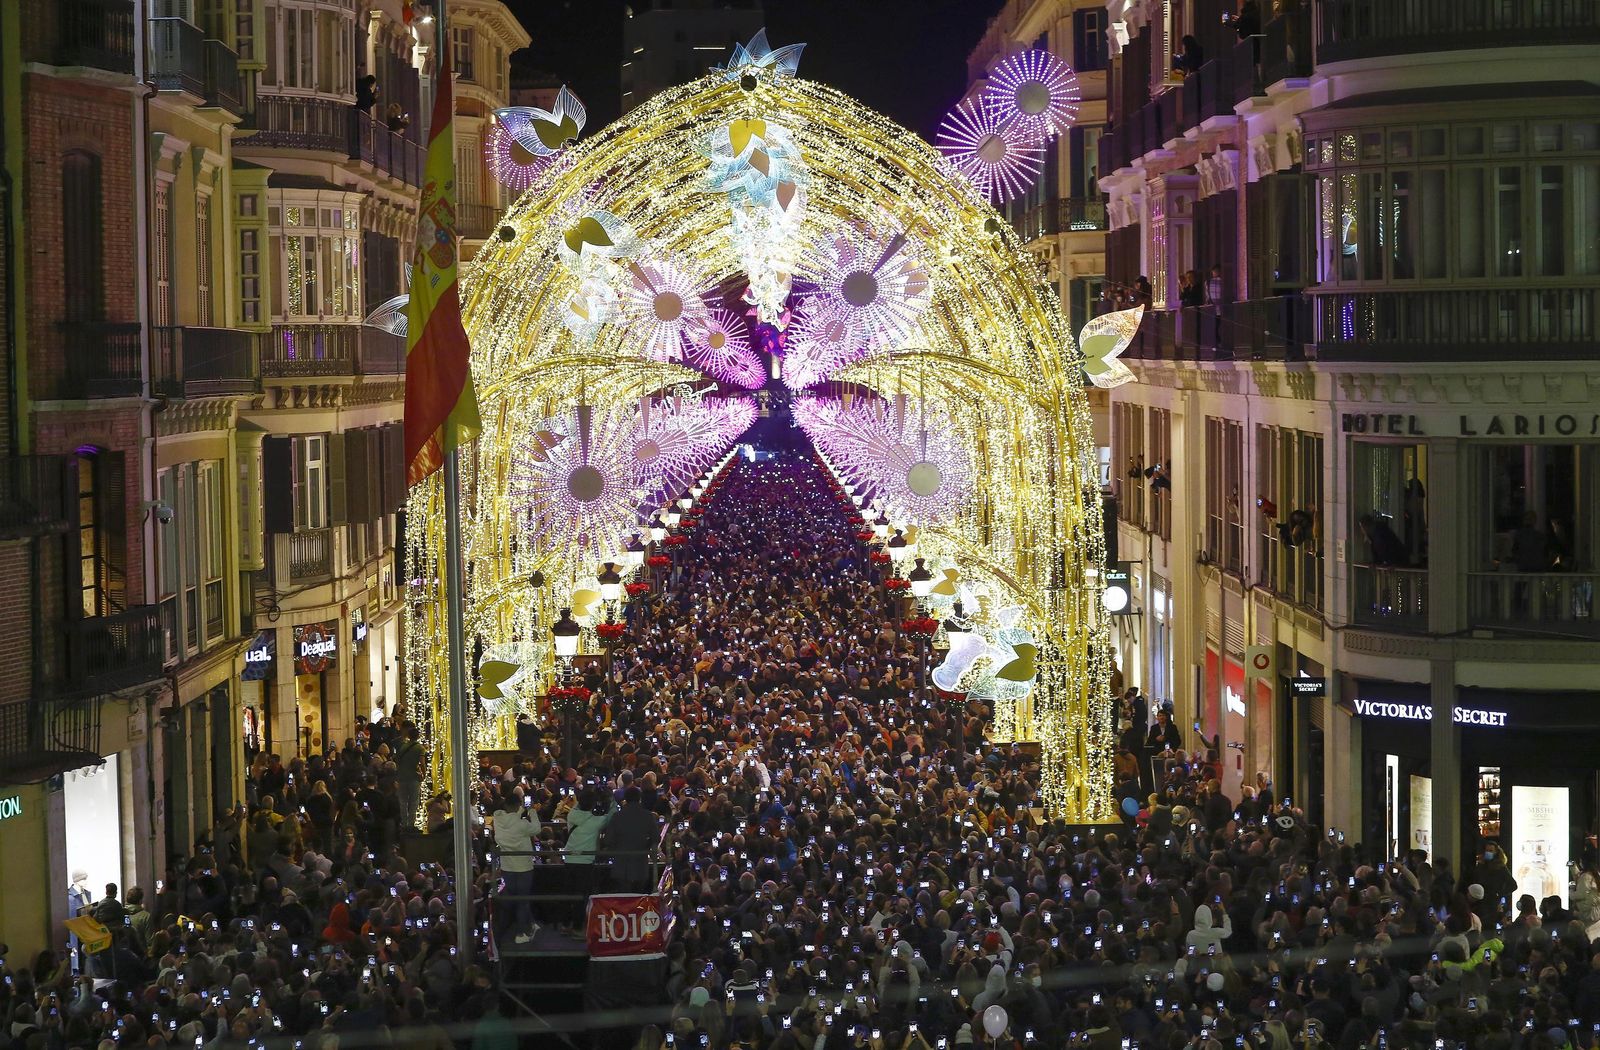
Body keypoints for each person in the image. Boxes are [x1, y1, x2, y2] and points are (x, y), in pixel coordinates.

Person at [492, 792, 540, 944]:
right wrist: (532, 811)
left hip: (507, 866)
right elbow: (537, 829)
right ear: (519, 806)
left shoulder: (498, 820)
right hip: (524, 866)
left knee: (517, 896)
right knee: (522, 899)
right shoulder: (522, 824)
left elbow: (510, 817)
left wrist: (519, 810)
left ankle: (531, 923)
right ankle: (521, 934)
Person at [600, 785, 661, 891]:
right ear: (640, 799)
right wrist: (646, 846)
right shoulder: (648, 816)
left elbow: (608, 840)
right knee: (638, 900)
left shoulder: (617, 816)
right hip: (640, 864)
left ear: (625, 799)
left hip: (620, 864)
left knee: (623, 901)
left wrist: (616, 848)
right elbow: (656, 838)